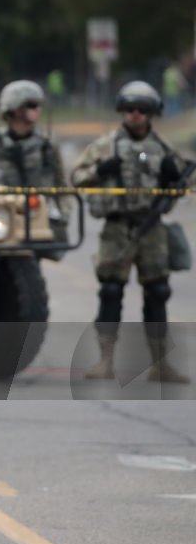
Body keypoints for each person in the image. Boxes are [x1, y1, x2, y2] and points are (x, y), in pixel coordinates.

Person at [70, 80, 189, 383]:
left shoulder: (163, 148)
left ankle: (161, 364)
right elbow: (76, 177)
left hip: (152, 227)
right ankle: (105, 361)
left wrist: (175, 179)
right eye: (129, 109)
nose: (135, 115)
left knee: (158, 292)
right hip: (117, 227)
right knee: (110, 291)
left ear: (152, 114)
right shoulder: (105, 146)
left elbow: (185, 181)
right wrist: (101, 171)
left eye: (142, 110)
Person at [0, 80, 68, 258]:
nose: (37, 110)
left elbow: (61, 184)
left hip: (35, 219)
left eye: (38, 105)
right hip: (1, 220)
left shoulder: (46, 146)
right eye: (31, 105)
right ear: (15, 109)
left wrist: (63, 216)